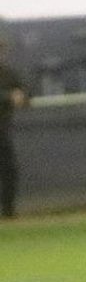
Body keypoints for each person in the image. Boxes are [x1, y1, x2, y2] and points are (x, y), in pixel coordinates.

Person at [0, 25, 27, 218]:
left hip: (2, 129)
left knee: (9, 169)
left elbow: (26, 91)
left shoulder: (8, 74)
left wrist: (21, 95)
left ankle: (8, 209)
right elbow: (8, 96)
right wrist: (8, 97)